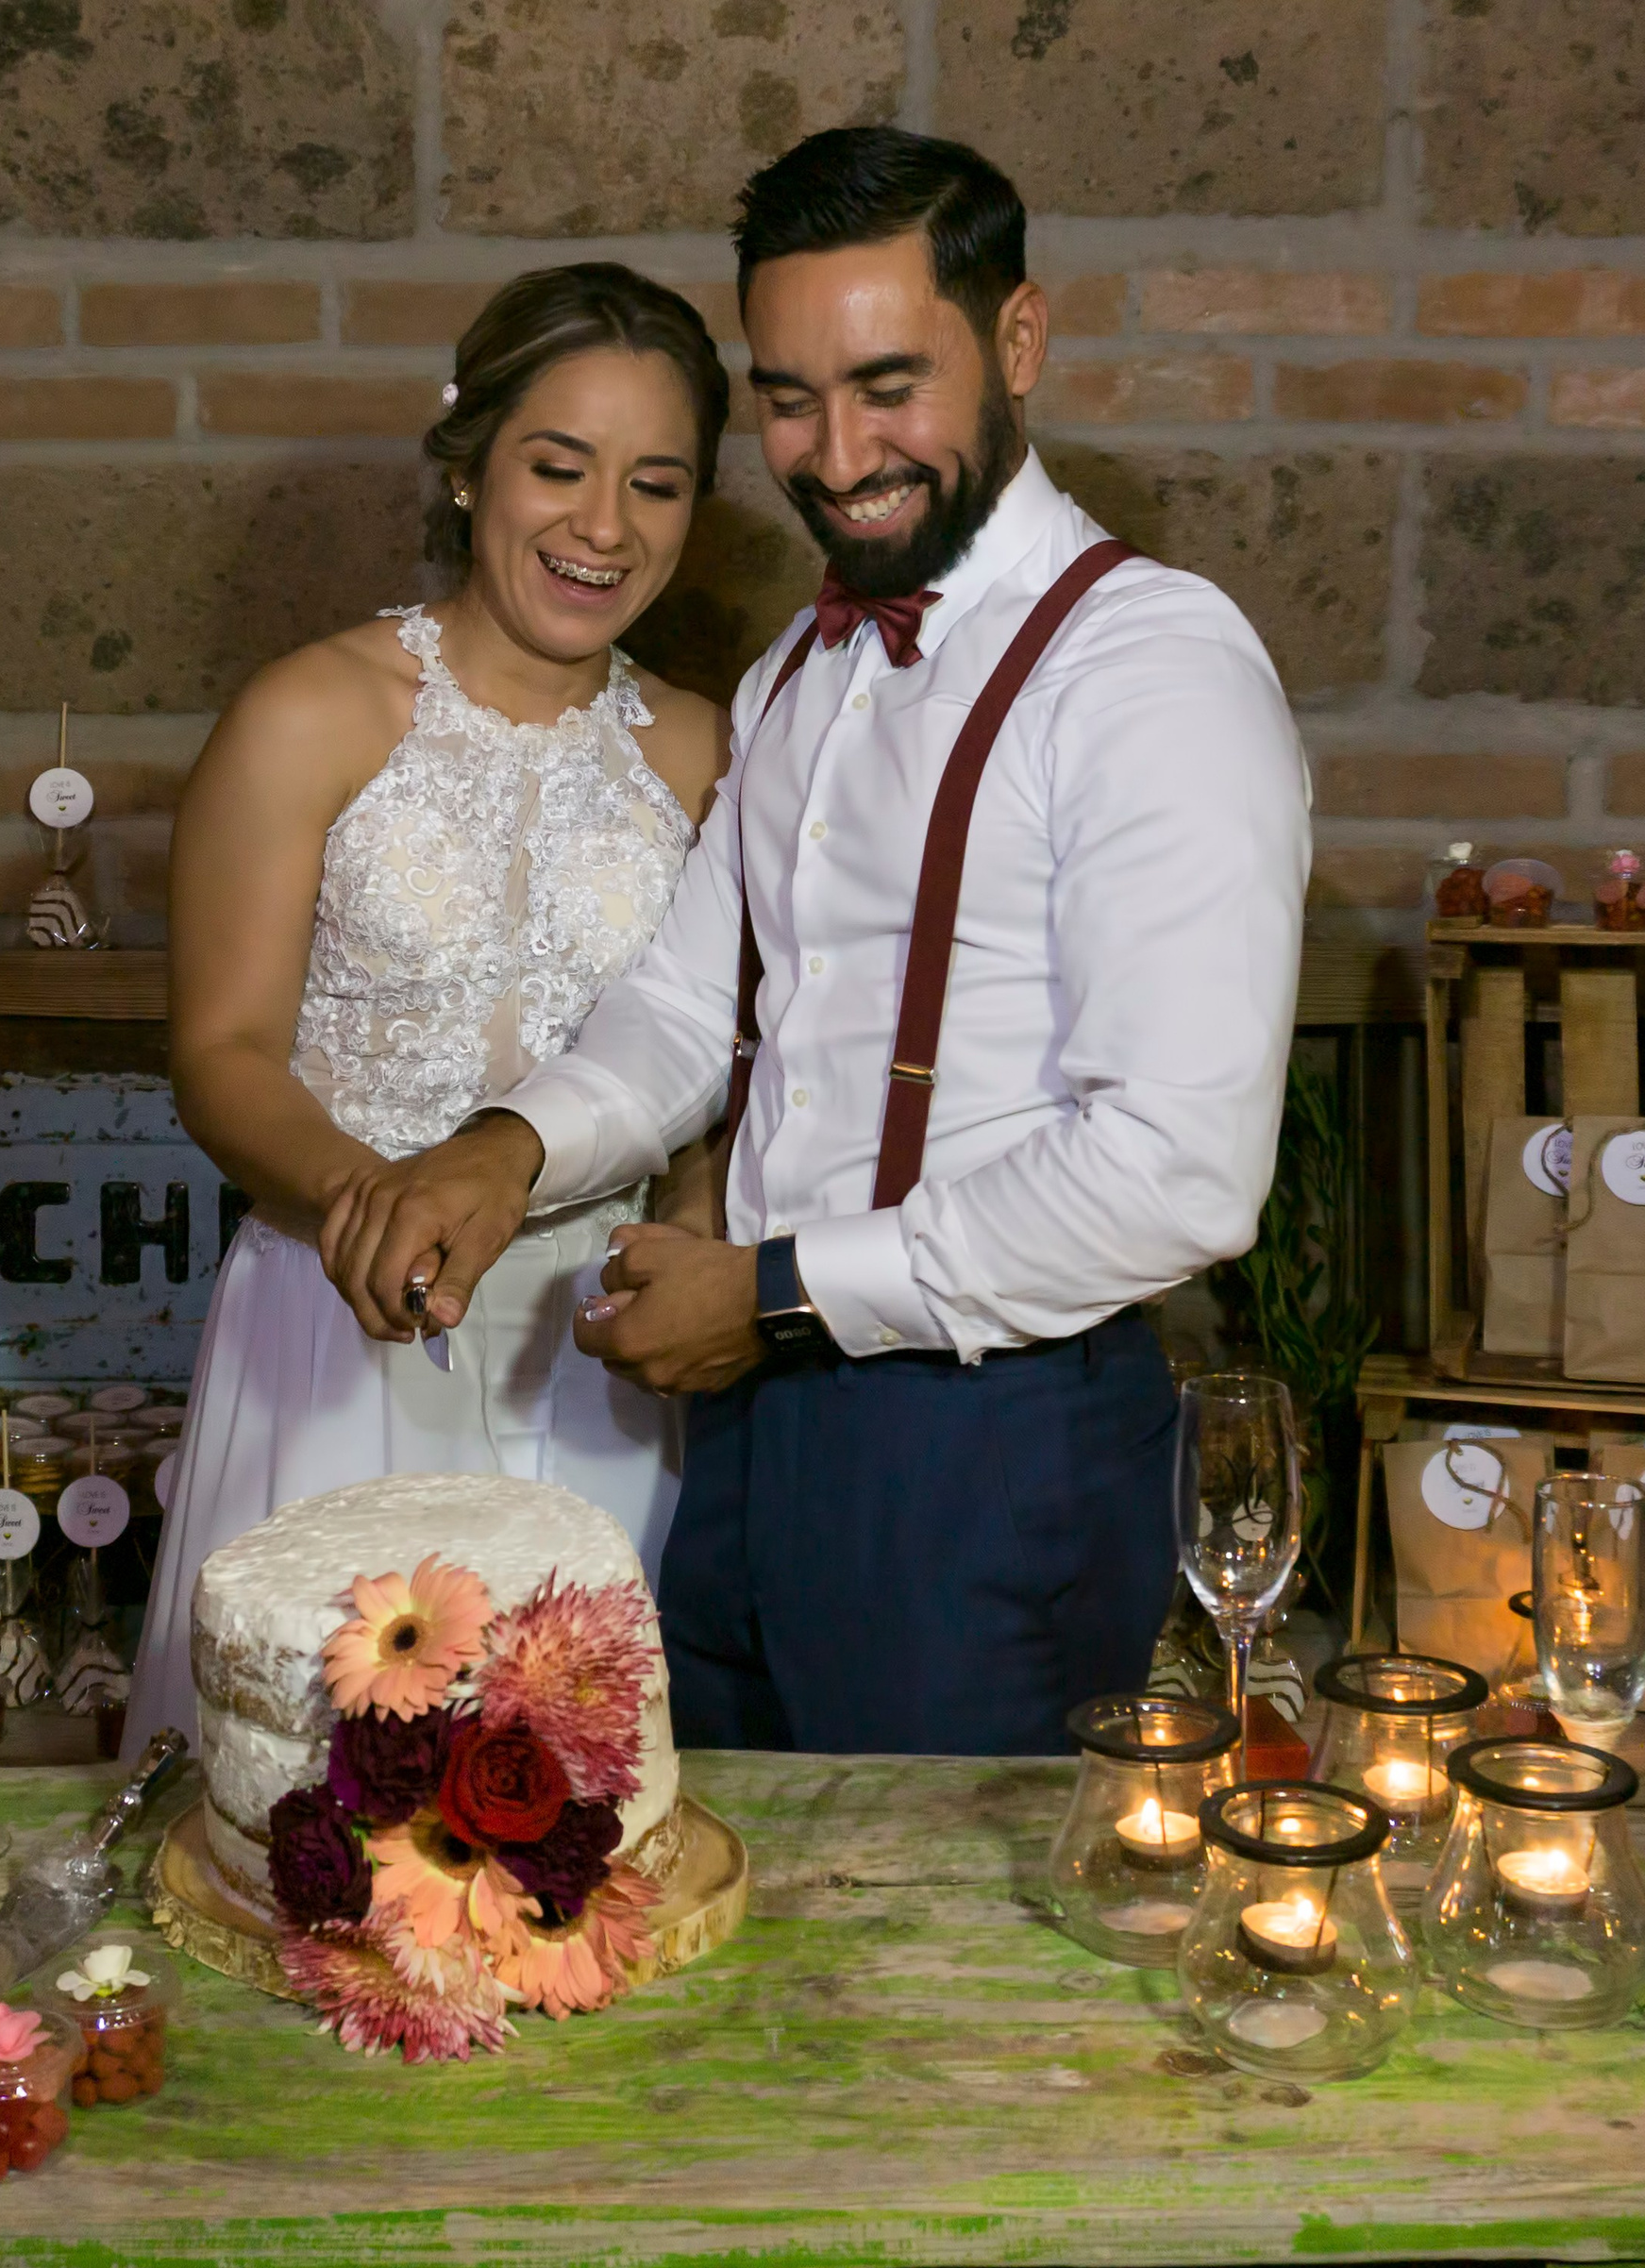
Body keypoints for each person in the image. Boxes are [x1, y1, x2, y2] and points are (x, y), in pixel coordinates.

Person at [322, 127, 1312, 1758]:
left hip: (990, 1446)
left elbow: (1178, 1172)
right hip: (749, 1437)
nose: (839, 455)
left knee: (953, 1920)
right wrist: (507, 1150)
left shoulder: (1152, 671)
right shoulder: (799, 669)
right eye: (790, 398)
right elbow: (686, 999)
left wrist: (777, 1296)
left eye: (888, 386)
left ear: (1019, 341)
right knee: (730, 1886)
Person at [125, 264, 733, 1749]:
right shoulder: (310, 714)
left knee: (587, 1801)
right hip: (345, 1334)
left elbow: (720, 1059)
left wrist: (696, 1231)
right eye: (559, 467)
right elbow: (220, 1051)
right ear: (468, 469)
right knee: (311, 1796)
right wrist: (369, 1204)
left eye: (656, 484)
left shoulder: (707, 754)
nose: (605, 526)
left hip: (601, 1357)